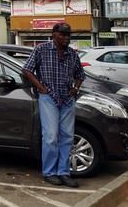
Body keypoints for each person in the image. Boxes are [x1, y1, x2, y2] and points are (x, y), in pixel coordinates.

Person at [23, 23, 85, 188]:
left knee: (67, 137)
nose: (66, 38)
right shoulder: (41, 49)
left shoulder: (72, 54)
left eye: (68, 35)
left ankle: (63, 172)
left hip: (67, 99)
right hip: (48, 97)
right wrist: (40, 87)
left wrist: (75, 88)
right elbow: (27, 70)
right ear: (54, 35)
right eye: (62, 34)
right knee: (50, 136)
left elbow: (80, 74)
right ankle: (49, 173)